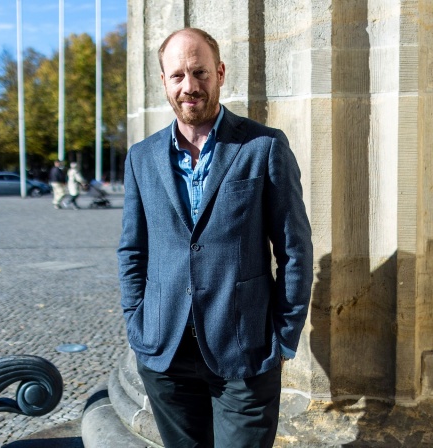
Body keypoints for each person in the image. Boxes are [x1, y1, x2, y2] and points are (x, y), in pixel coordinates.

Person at [117, 27, 313, 448]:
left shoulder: (264, 147)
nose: (190, 86)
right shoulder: (142, 158)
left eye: (200, 72)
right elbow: (133, 251)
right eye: (178, 76)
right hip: (165, 353)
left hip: (244, 352)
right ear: (164, 82)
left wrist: (283, 337)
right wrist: (138, 324)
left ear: (220, 73)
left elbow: (294, 249)